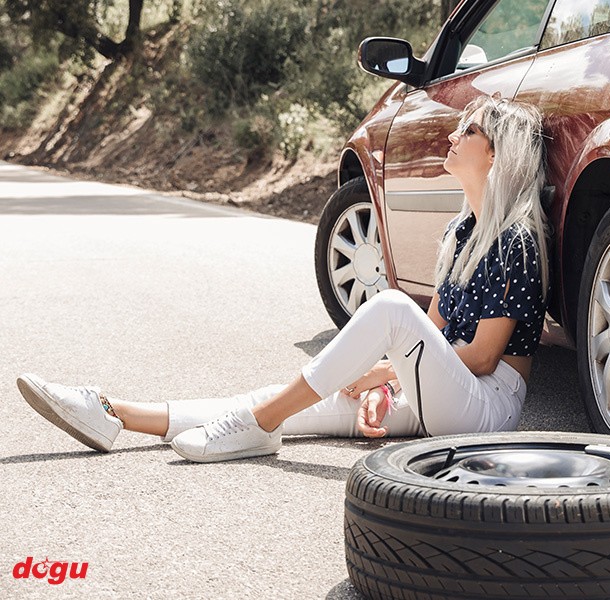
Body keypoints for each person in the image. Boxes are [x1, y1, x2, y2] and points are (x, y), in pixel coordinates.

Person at [17, 95, 550, 463]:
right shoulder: (462, 233)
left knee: (390, 309)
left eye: (470, 130)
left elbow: (480, 359)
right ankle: (115, 413)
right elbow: (434, 331)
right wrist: (388, 381)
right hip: (446, 390)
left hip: (486, 406)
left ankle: (258, 423)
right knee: (298, 399)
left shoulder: (516, 242)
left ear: (498, 154)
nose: (453, 135)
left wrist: (383, 372)